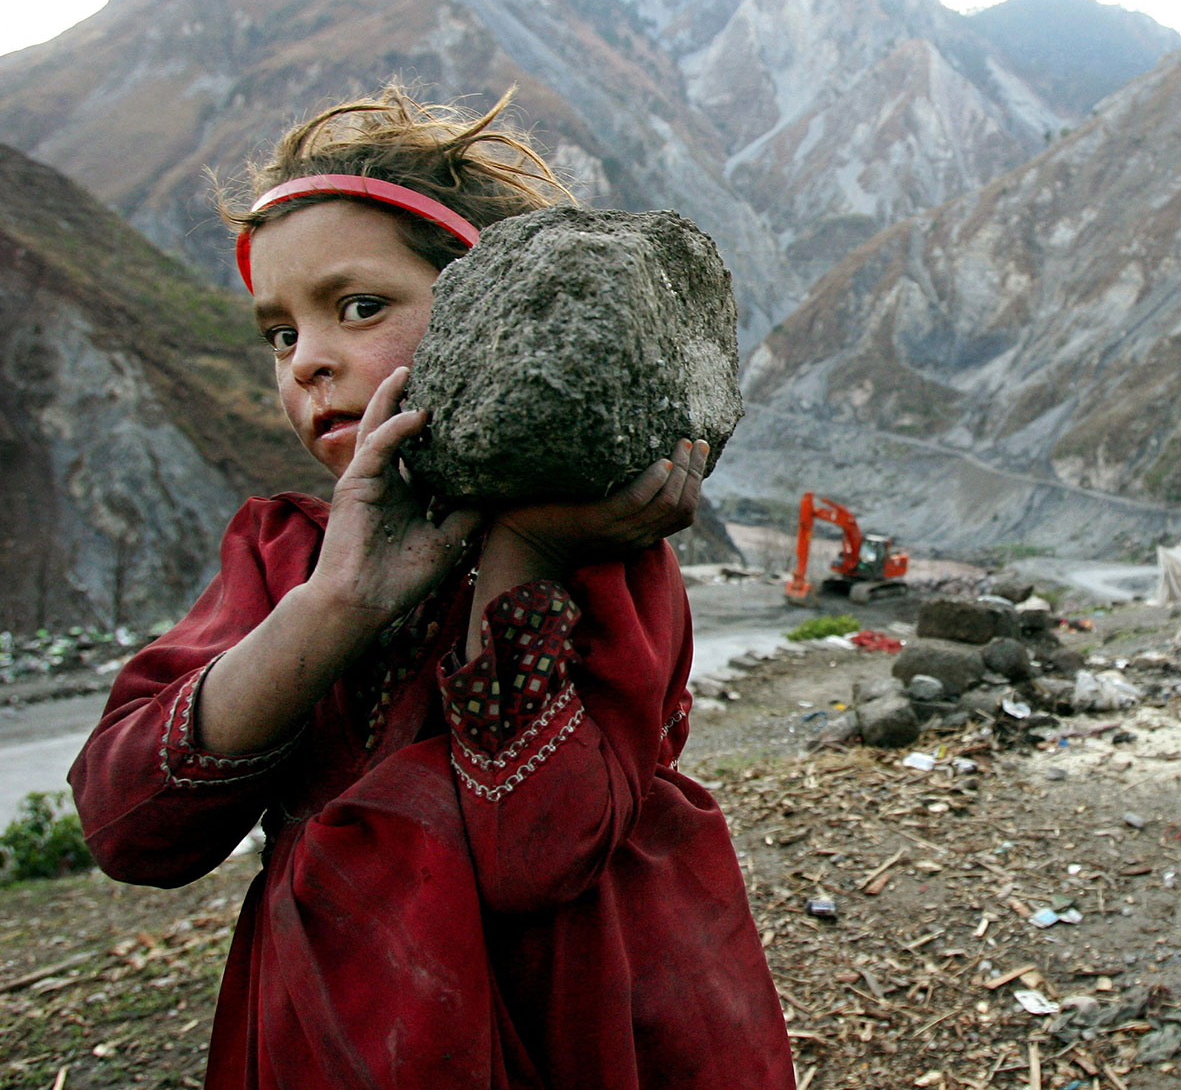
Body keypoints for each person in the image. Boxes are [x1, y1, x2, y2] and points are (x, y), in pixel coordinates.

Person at [68, 86, 794, 1090]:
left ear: (487, 312)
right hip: (343, 1021)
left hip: (577, 1018)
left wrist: (526, 557)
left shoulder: (608, 556)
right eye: (278, 333)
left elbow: (536, 850)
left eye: (358, 308)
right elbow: (128, 825)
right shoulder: (284, 555)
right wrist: (338, 604)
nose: (308, 361)